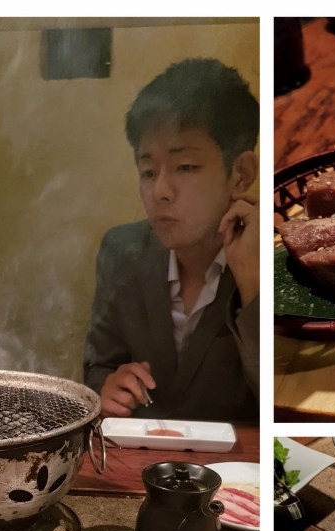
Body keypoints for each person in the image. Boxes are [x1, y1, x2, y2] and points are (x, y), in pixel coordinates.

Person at [83, 58, 259, 422]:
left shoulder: (269, 255)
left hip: (238, 469)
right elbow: (99, 365)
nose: (159, 191)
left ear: (240, 174)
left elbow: (276, 401)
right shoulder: (122, 250)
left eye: (186, 167)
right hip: (140, 458)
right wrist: (108, 387)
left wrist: (253, 285)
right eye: (148, 171)